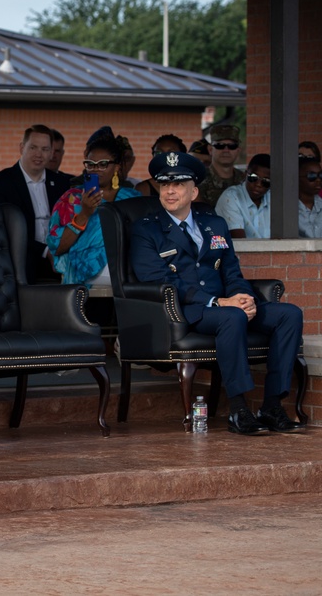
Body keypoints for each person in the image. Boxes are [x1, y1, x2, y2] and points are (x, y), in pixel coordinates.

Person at [130, 151, 304, 435]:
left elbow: (231, 272)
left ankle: (272, 406)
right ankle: (239, 410)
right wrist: (218, 301)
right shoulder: (146, 230)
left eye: (178, 185)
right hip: (189, 311)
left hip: (226, 307)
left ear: (194, 191)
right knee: (232, 317)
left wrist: (244, 298)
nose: (170, 191)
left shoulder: (214, 224)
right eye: (164, 185)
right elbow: (157, 281)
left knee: (289, 314)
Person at [47, 135, 140, 287]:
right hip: (85, 272)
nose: (95, 169)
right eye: (90, 164)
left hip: (127, 267)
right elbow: (56, 247)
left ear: (116, 167)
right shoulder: (72, 199)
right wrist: (84, 214)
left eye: (103, 164)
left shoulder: (132, 198)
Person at [0, 124, 70, 282]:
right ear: (21, 148)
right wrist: (45, 251)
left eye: (45, 149)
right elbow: (0, 229)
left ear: (52, 152)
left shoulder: (62, 183)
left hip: (59, 262)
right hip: (20, 263)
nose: (39, 154)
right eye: (33, 147)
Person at [215, 154, 271, 239]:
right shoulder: (230, 198)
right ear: (245, 175)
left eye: (266, 181)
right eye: (253, 177)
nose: (258, 185)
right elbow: (240, 242)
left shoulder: (275, 199)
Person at [197, 124, 244, 206]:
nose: (226, 150)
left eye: (232, 146)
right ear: (210, 149)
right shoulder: (198, 180)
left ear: (238, 150)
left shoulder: (245, 181)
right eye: (219, 146)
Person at [297, 156, 322, 238]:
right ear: (297, 178)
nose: (318, 180)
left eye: (321, 175)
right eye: (312, 176)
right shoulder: (287, 209)